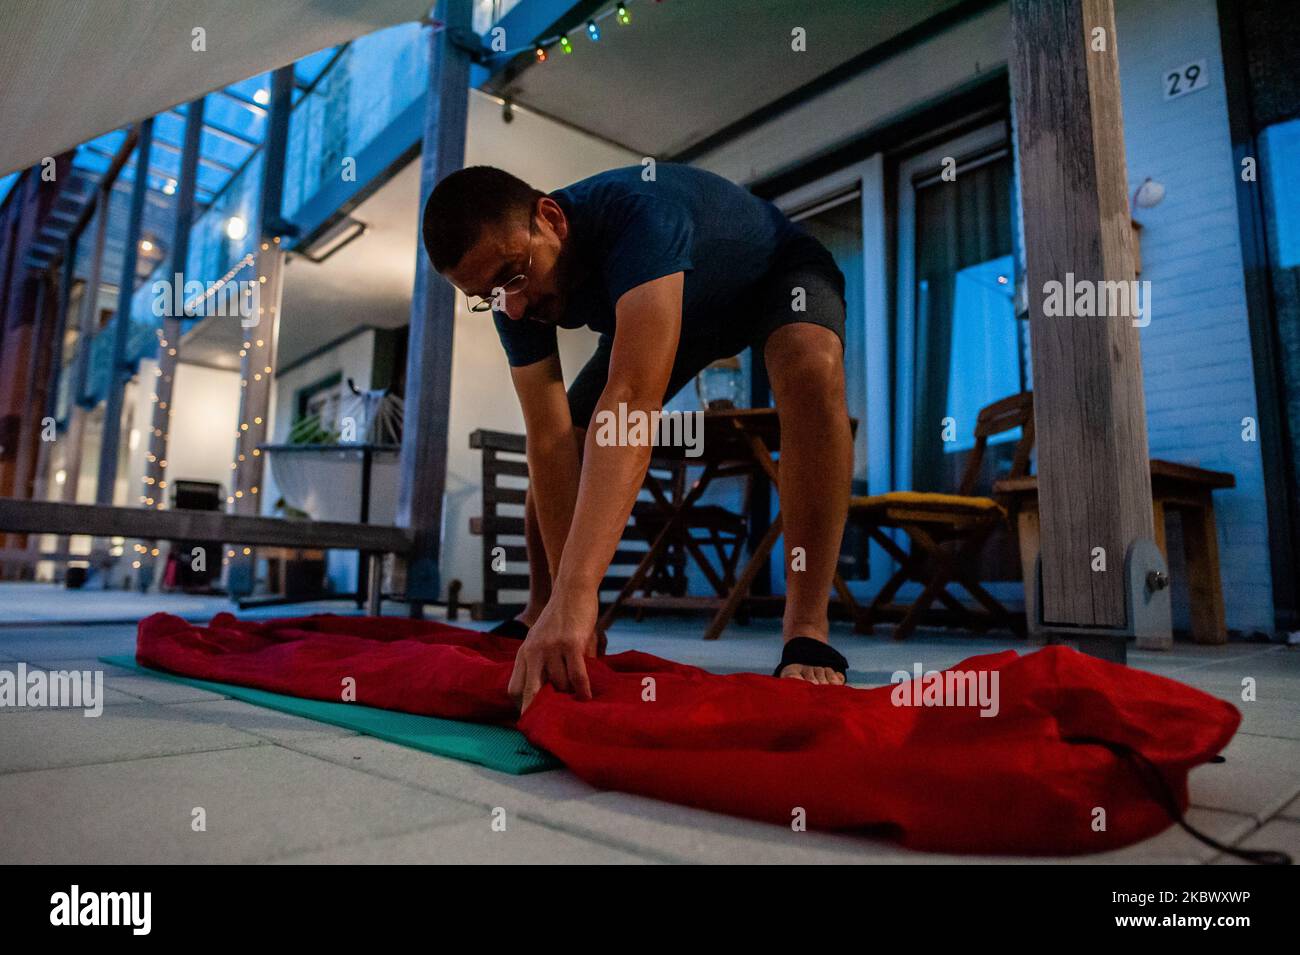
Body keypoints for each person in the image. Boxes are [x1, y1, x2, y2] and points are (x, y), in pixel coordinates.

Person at [422, 163, 853, 711]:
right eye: (486, 296)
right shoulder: (510, 297)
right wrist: (570, 600)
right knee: (571, 439)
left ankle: (808, 627)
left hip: (776, 276)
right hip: (677, 312)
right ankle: (541, 608)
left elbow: (629, 406)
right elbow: (549, 439)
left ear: (550, 218)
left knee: (809, 368)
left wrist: (582, 590)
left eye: (512, 277)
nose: (512, 305)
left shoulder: (639, 213)